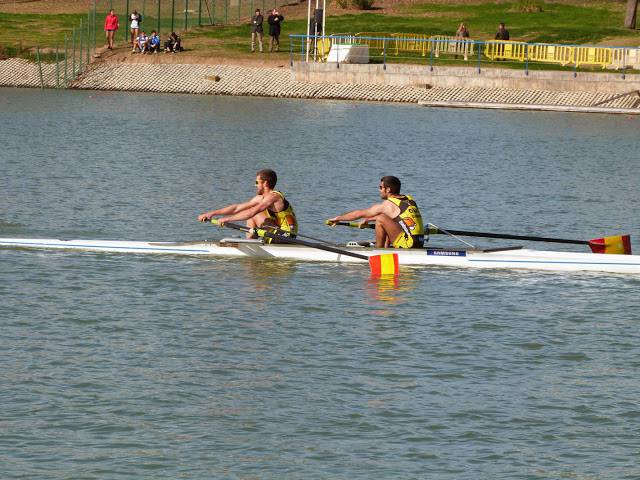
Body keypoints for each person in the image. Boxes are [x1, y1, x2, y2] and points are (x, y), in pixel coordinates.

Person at [198, 169, 298, 242]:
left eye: (257, 182)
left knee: (254, 213)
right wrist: (211, 213)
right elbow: (237, 208)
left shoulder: (273, 197)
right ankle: (251, 242)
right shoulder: (261, 198)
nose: (255, 185)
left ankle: (251, 243)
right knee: (252, 211)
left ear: (265, 183)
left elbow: (252, 213)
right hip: (279, 232)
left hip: (286, 235)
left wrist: (226, 219)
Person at [327, 176, 424, 249]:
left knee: (380, 220)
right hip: (419, 242)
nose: (379, 190)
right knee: (384, 218)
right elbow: (395, 217)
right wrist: (368, 220)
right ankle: (386, 248)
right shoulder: (409, 199)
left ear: (388, 189)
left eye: (381, 187)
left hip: (408, 244)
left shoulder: (387, 205)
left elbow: (359, 213)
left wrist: (338, 218)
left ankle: (379, 250)